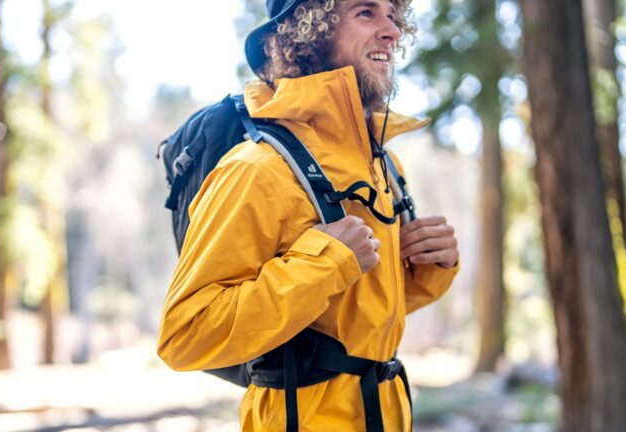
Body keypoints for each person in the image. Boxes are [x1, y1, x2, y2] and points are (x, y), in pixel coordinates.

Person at [157, 0, 459, 430]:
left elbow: (355, 317)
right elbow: (185, 335)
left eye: (393, 14)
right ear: (310, 29)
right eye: (366, 12)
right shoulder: (257, 169)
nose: (392, 30)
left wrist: (429, 268)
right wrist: (325, 262)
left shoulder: (382, 164)